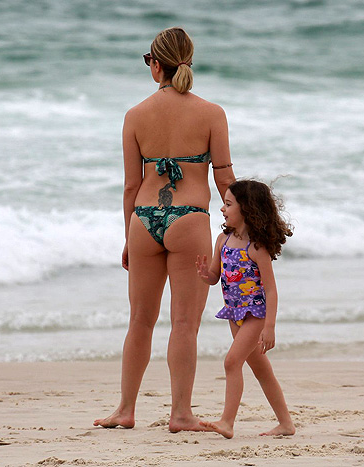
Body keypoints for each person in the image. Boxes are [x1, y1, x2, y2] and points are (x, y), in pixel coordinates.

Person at [93, 27, 235, 432]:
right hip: (190, 219)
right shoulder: (212, 113)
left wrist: (128, 236)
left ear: (156, 65)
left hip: (143, 220)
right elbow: (225, 180)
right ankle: (181, 414)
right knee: (185, 324)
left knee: (140, 319)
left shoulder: (135, 115)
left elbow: (130, 186)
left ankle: (124, 409)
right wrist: (241, 227)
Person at [195, 179, 295, 438]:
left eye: (228, 204)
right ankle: (286, 424)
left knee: (231, 362)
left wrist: (270, 326)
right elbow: (216, 277)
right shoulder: (222, 240)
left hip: (255, 315)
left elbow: (271, 290)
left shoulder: (256, 248)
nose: (222, 209)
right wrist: (205, 274)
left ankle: (227, 422)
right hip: (234, 313)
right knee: (262, 371)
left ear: (247, 208)